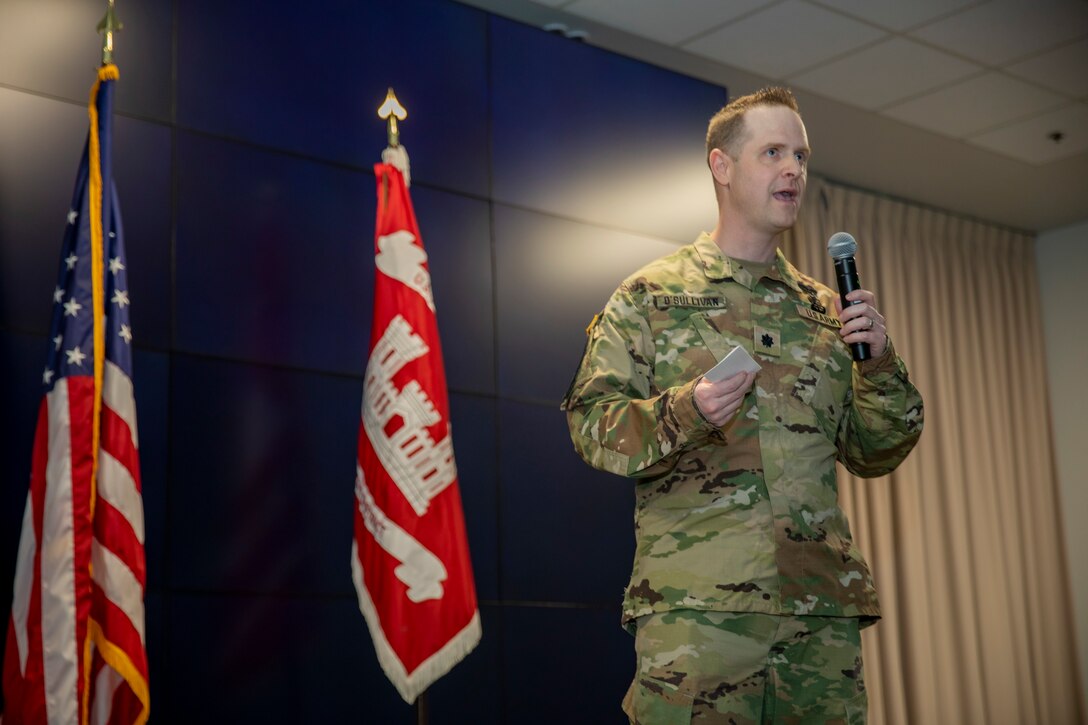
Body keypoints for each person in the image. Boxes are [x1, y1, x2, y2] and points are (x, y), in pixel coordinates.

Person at [561, 87, 924, 724]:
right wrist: (686, 411)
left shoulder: (823, 310)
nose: (794, 170)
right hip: (699, 615)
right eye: (774, 152)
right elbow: (591, 426)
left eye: (802, 156)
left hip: (818, 615)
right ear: (721, 167)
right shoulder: (651, 296)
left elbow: (875, 452)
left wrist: (881, 365)